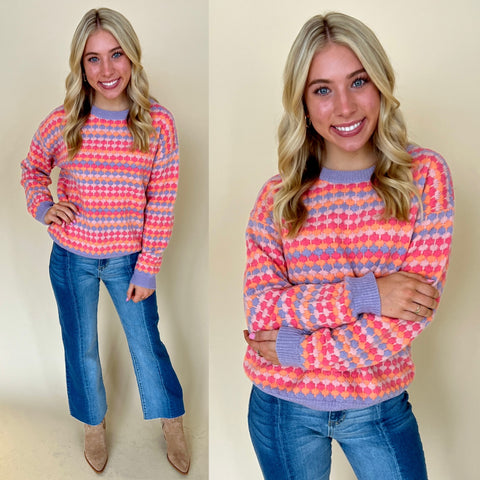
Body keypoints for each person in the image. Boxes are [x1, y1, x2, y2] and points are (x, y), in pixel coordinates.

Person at [243, 12, 454, 480]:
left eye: (358, 81)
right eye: (322, 89)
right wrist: (369, 294)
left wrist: (298, 350)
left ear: (380, 84)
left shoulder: (424, 178)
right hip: (281, 408)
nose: (344, 107)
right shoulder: (277, 197)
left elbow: (406, 319)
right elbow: (261, 311)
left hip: (377, 407)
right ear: (302, 103)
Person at [21, 8, 189, 475]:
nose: (107, 69)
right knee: (82, 346)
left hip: (127, 259)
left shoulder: (157, 123)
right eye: (93, 59)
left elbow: (162, 198)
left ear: (133, 57)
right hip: (71, 256)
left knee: (145, 344)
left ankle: (171, 419)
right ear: (80, 66)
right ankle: (93, 423)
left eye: (116, 55)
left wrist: (148, 264)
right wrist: (43, 205)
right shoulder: (63, 122)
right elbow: (32, 168)